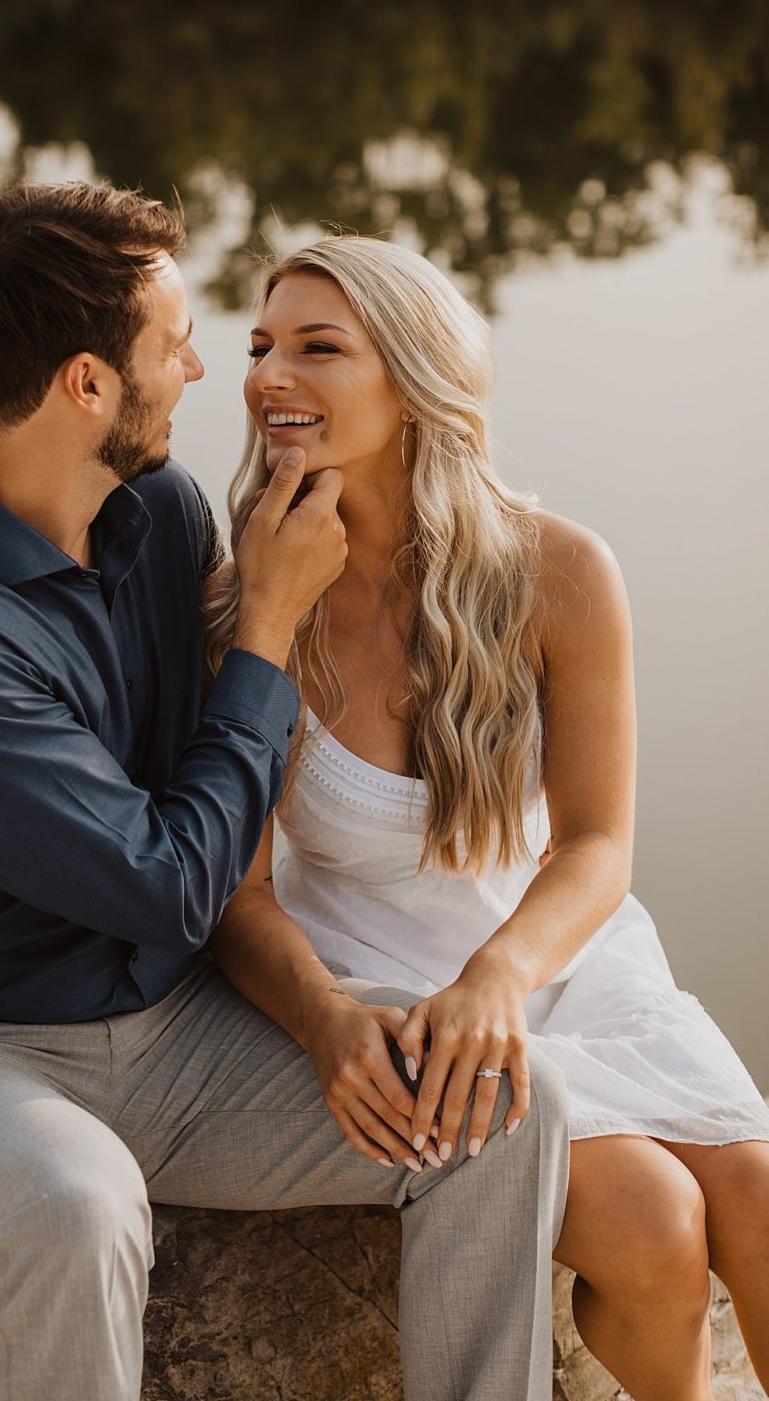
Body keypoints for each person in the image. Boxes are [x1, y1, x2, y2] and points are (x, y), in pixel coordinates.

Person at [0, 181, 571, 1401]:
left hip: (172, 1036)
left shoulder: (157, 516)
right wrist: (268, 623)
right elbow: (170, 883)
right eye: (172, 345)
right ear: (86, 385)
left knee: (498, 1112)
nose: (201, 369)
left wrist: (328, 1014)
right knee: (75, 1204)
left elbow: (220, 839)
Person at [205, 234, 769, 1401]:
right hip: (381, 981)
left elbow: (598, 844)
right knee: (657, 1223)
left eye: (317, 347)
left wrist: (501, 972)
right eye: (260, 345)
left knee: (759, 1198)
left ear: (411, 383)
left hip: (543, 953)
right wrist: (325, 1019)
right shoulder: (242, 598)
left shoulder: (557, 570)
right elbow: (235, 890)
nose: (267, 375)